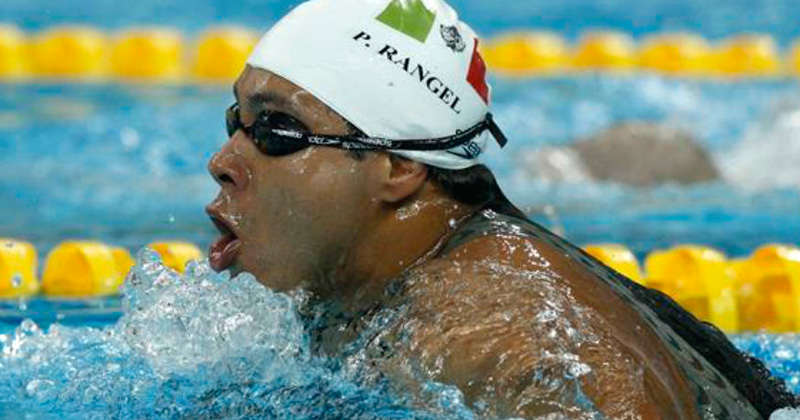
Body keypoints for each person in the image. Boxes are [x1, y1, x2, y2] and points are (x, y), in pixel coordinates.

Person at [204, 0, 798, 418]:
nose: (223, 161)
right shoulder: (394, 291)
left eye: (277, 129)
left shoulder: (490, 327)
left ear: (399, 167)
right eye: (238, 120)